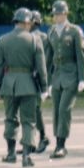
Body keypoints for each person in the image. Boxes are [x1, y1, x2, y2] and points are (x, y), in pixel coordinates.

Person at [0, 7, 50, 166]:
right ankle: (26, 156)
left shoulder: (3, 40)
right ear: (27, 22)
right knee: (28, 121)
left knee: (10, 118)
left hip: (9, 84)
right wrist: (44, 88)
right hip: (28, 84)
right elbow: (41, 66)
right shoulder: (34, 40)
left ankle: (11, 154)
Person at [44, 0, 84, 158]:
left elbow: (81, 55)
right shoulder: (52, 32)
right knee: (56, 110)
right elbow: (48, 58)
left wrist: (83, 78)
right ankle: (58, 142)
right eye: (55, 14)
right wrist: (47, 81)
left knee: (64, 109)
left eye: (60, 13)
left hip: (71, 75)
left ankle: (61, 144)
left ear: (65, 14)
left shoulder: (75, 31)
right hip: (57, 76)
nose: (57, 17)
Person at [27, 9, 51, 153]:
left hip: (36, 77)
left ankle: (43, 136)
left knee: (35, 109)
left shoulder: (42, 37)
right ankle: (30, 140)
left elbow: (45, 59)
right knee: (28, 109)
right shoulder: (27, 36)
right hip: (28, 76)